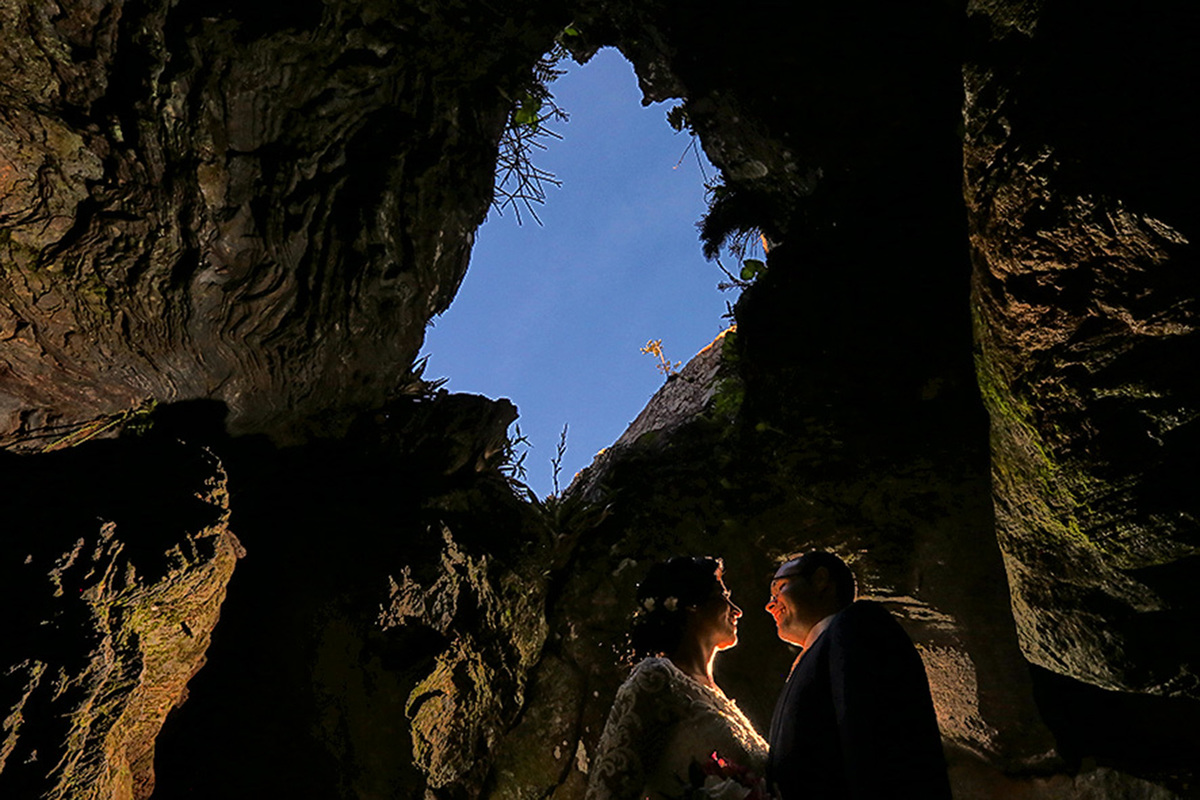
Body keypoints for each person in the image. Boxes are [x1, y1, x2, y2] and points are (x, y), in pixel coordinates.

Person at [765, 551, 952, 800]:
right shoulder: (812, 657)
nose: (770, 604)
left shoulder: (856, 625)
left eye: (780, 588)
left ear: (821, 580)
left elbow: (876, 745)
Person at [587, 556, 768, 800]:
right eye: (723, 596)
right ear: (692, 602)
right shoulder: (656, 678)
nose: (737, 610)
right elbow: (607, 789)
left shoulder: (719, 695)